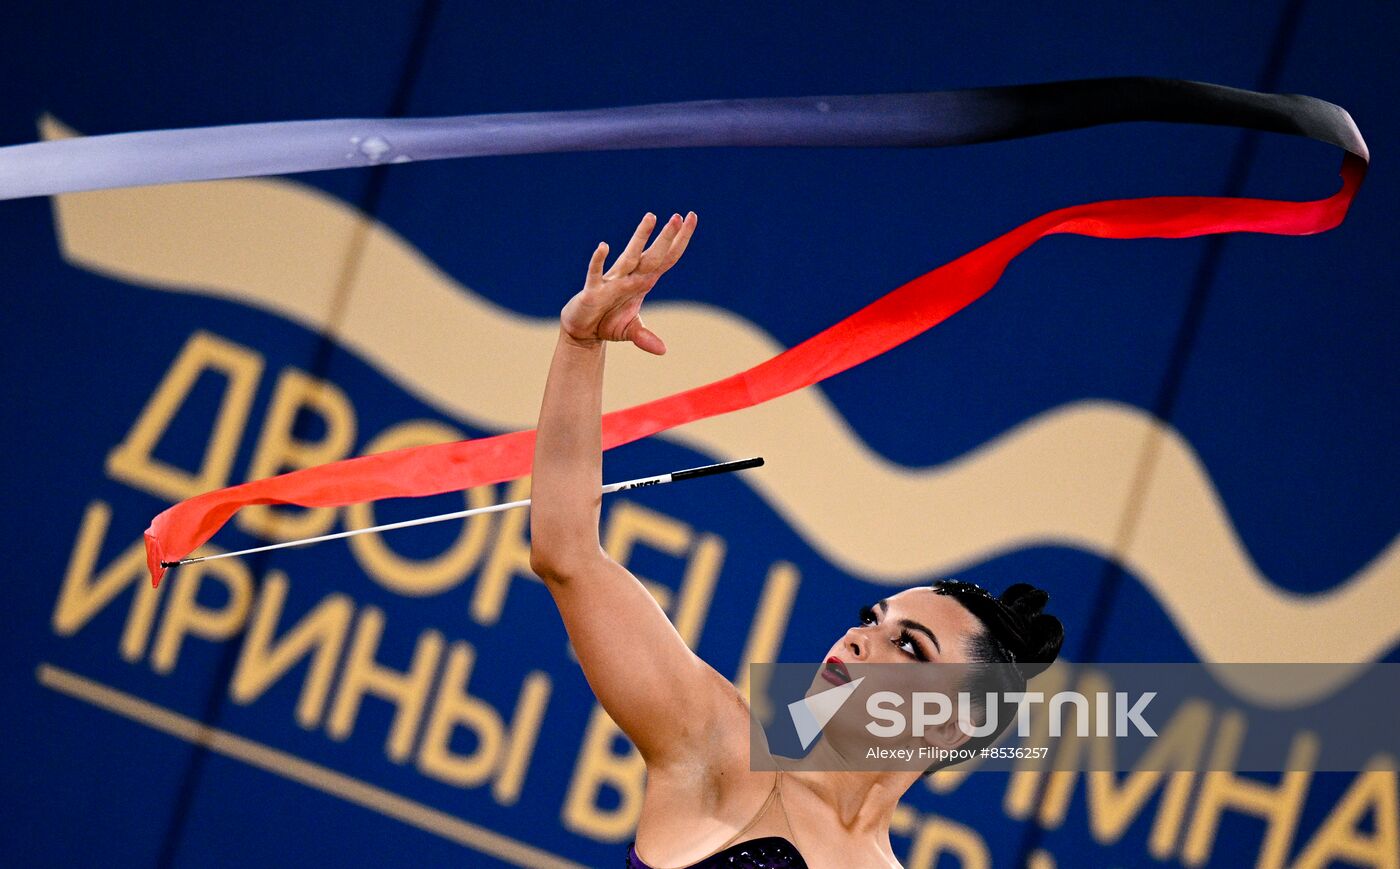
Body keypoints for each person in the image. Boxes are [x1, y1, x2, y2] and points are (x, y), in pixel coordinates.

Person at [529, 212, 1064, 868]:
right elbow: (567, 554)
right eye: (873, 618)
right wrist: (582, 343)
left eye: (908, 645)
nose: (861, 637)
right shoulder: (719, 756)